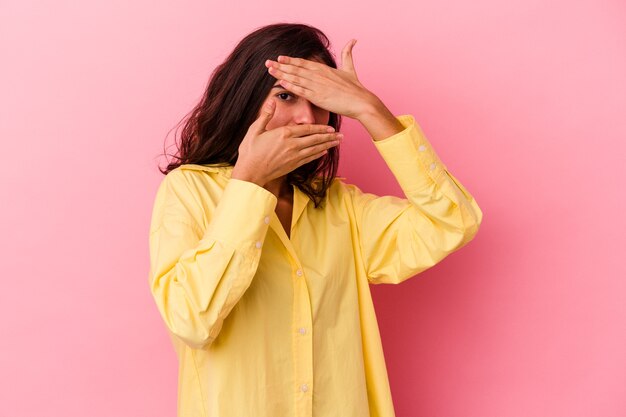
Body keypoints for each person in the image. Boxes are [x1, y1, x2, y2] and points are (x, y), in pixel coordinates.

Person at [148, 22, 483, 417]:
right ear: (244, 99)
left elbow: (452, 221)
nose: (307, 117)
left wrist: (370, 109)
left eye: (320, 100)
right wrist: (250, 184)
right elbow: (191, 320)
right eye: (286, 95)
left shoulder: (340, 206)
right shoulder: (189, 192)